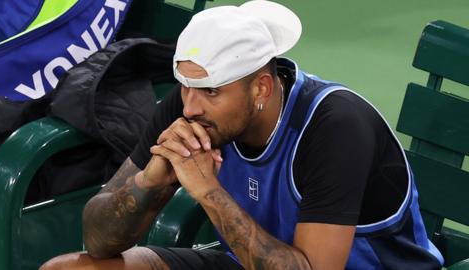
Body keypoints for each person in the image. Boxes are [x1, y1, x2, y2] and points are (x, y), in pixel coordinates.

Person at [41, 1, 444, 269]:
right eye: (185, 86)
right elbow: (98, 241)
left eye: (212, 91)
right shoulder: (189, 107)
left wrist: (208, 192)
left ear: (261, 89)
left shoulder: (335, 126)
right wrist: (151, 182)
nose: (192, 106)